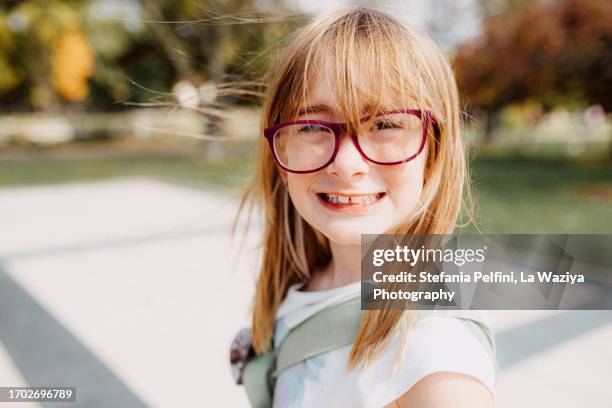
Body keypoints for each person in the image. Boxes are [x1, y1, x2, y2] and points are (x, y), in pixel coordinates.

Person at [231, 6, 496, 408]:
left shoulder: (438, 357)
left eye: (386, 124)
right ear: (279, 154)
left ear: (435, 153)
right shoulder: (307, 282)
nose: (347, 164)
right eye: (313, 126)